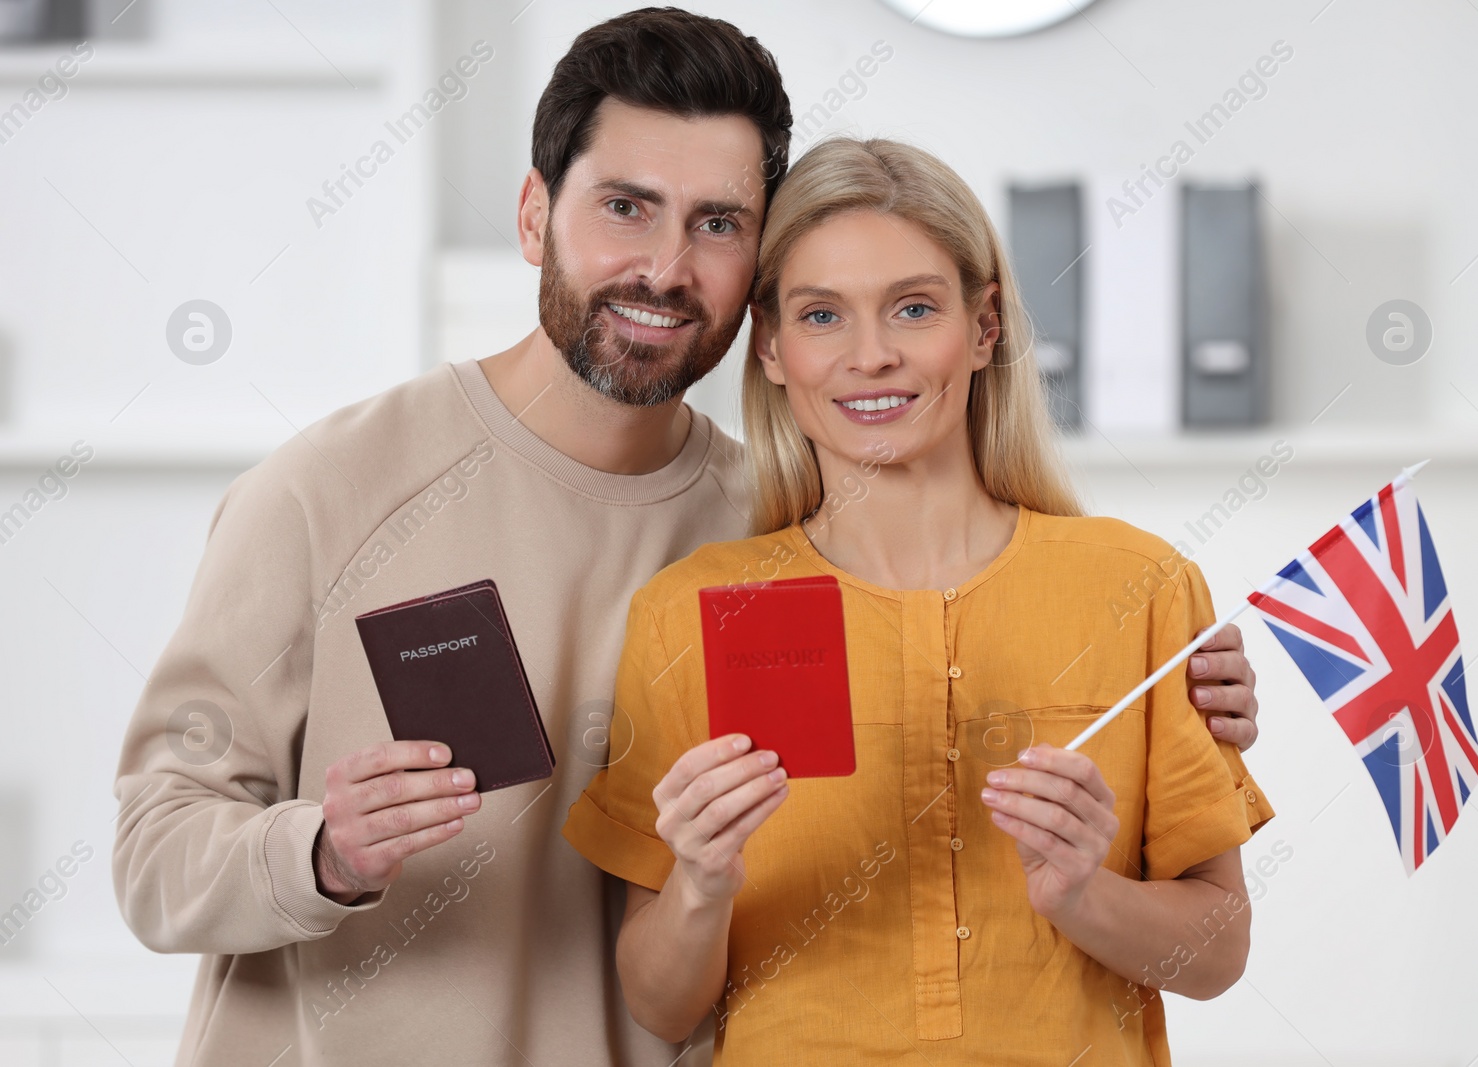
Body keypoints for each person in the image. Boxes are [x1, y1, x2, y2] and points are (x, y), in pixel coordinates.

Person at [111, 8, 1265, 1066]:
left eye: (716, 224)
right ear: (532, 214)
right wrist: (322, 851)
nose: (665, 268)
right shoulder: (325, 491)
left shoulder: (760, 536)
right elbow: (153, 854)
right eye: (624, 206)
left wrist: (1168, 679)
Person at [562, 137, 1273, 1066]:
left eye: (913, 308)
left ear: (983, 327)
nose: (872, 356)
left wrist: (1080, 892)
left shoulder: (1140, 585)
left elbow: (1215, 953)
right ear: (772, 348)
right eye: (822, 315)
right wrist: (699, 881)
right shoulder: (694, 610)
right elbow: (660, 1005)